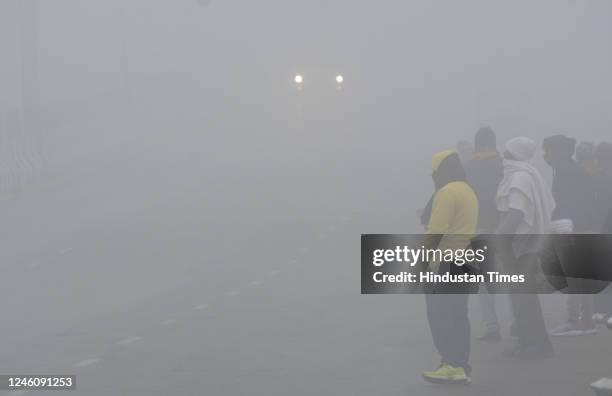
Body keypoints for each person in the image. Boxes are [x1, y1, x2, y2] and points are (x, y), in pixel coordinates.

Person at [421, 150, 478, 385]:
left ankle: (450, 364)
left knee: (440, 315)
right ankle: (460, 364)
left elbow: (436, 232)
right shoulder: (467, 190)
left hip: (446, 264)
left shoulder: (445, 193)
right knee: (458, 315)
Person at [496, 137, 555, 357]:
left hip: (518, 246)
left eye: (507, 152)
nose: (504, 156)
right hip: (522, 245)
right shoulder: (525, 174)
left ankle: (535, 344)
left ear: (514, 155)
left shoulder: (520, 177)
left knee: (523, 296)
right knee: (520, 295)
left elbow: (516, 214)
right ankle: (527, 341)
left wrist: (499, 236)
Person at [543, 135, 599, 336]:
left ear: (556, 151)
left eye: (547, 150)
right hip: (585, 227)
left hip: (574, 228)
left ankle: (574, 321)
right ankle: (585, 321)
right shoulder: (572, 169)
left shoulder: (565, 172)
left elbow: (566, 204)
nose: (545, 155)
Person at [465, 127, 503, 341]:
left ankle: (492, 327)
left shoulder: (469, 167)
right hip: (504, 226)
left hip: (478, 227)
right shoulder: (503, 164)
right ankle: (518, 322)